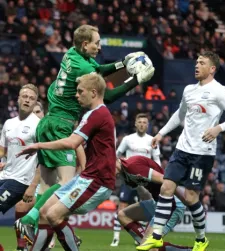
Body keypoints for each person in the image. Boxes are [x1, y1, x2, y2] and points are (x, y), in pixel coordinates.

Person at [16, 24, 154, 235]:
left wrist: (122, 63)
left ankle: (41, 241)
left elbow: (97, 71)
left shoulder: (71, 54)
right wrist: (135, 80)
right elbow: (104, 96)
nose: (99, 47)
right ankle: (30, 218)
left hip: (47, 121)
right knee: (67, 183)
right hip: (61, 124)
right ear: (85, 44)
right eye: (97, 43)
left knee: (47, 186)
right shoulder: (83, 68)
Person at [1, 73, 116, 251]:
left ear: (93, 92)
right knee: (45, 213)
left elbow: (72, 143)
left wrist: (38, 145)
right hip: (89, 177)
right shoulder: (93, 114)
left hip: (97, 180)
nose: (77, 95)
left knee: (53, 214)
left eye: (80, 92)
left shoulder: (96, 114)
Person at [137, 51, 225, 251]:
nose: (196, 66)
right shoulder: (189, 90)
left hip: (202, 154)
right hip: (182, 149)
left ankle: (201, 240)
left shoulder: (219, 91)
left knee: (192, 197)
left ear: (212, 69)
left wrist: (218, 129)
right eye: (196, 62)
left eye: (202, 63)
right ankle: (156, 236)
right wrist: (161, 133)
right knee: (167, 187)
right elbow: (179, 114)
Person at [115, 156, 206, 251]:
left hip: (172, 204)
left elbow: (167, 181)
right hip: (157, 202)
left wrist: (184, 199)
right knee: (123, 215)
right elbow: (145, 192)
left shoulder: (132, 166)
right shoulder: (125, 175)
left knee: (150, 248)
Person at [111, 113, 161, 247]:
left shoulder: (152, 140)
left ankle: (140, 235)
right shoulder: (128, 139)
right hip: (128, 178)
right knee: (122, 205)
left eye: (144, 122)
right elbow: (117, 154)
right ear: (135, 124)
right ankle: (116, 238)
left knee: (144, 206)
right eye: (139, 122)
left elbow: (156, 160)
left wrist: (159, 175)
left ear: (148, 125)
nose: (142, 124)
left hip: (145, 180)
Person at [2, 100, 44, 251]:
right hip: (24, 179)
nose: (35, 115)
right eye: (33, 112)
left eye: (38, 111)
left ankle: (44, 244)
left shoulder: (44, 131)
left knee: (49, 214)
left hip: (45, 181)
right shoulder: (22, 132)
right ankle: (23, 247)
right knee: (21, 207)